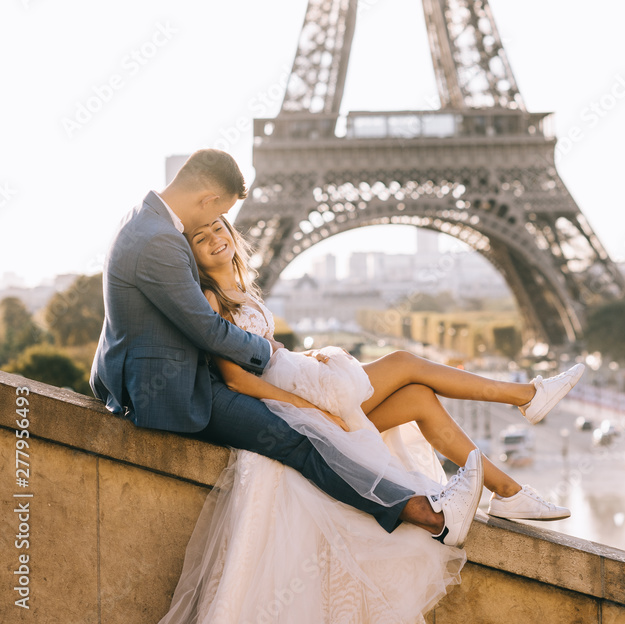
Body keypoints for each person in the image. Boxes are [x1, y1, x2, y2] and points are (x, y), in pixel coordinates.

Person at [89, 150, 484, 623]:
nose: (219, 225)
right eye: (218, 213)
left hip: (167, 376)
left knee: (321, 421)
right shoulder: (159, 239)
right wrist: (271, 353)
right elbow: (209, 332)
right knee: (298, 440)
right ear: (210, 196)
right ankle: (430, 516)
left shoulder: (145, 219)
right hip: (173, 391)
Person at [156, 208, 584, 624]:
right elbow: (236, 379)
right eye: (201, 238)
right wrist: (309, 409)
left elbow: (265, 350)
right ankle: (527, 395)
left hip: (301, 379)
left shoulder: (243, 291)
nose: (215, 239)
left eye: (219, 228)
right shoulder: (210, 298)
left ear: (232, 232)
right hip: (292, 399)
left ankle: (508, 492)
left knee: (417, 396)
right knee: (405, 362)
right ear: (192, 255)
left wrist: (307, 355)